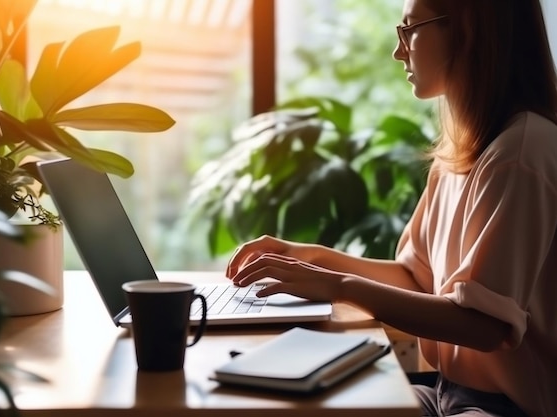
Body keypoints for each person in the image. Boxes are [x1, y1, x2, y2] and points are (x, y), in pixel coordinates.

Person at [225, 0, 557, 416]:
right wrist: (311, 259)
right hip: (449, 392)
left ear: (468, 32)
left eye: (410, 29)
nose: (399, 51)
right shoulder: (460, 154)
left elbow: (484, 325)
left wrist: (338, 286)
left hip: (509, 407)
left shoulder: (521, 153)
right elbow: (416, 280)